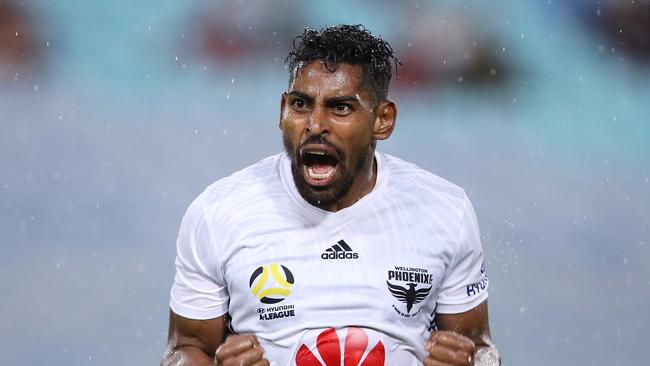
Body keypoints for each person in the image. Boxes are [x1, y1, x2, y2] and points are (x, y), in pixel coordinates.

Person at [162, 24, 500, 366]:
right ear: (282, 111)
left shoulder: (444, 210)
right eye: (300, 104)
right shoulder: (219, 212)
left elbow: (481, 349)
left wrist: (472, 364)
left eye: (339, 108)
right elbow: (184, 349)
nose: (315, 124)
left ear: (383, 120)